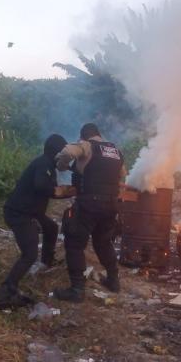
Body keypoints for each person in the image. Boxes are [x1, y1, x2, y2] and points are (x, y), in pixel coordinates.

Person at [52, 123, 126, 302]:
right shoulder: (116, 151)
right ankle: (113, 281)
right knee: (103, 242)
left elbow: (67, 152)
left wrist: (61, 165)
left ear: (83, 136)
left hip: (89, 204)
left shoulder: (86, 145)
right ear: (99, 134)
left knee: (74, 244)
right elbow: (123, 174)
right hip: (111, 205)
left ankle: (77, 290)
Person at [2, 134, 68, 294]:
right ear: (57, 153)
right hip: (19, 214)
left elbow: (51, 191)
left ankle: (47, 261)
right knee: (30, 254)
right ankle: (9, 285)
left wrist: (69, 191)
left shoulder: (49, 166)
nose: (66, 159)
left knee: (51, 228)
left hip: (31, 212)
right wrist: (62, 191)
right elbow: (41, 186)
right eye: (64, 155)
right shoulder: (43, 164)